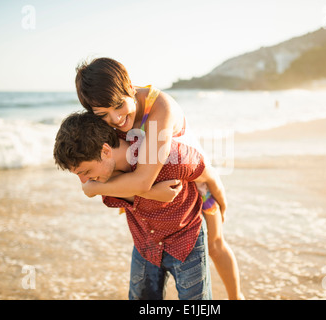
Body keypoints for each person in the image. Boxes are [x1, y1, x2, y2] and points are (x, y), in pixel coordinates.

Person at [75, 57, 243, 300]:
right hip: (158, 190)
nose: (115, 119)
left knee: (215, 245)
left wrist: (96, 189)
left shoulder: (160, 109)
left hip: (197, 179)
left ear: (129, 87)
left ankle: (237, 297)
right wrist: (94, 183)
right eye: (103, 114)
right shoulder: (105, 111)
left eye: (119, 106)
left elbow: (143, 181)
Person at [54, 111, 218, 300]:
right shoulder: (103, 178)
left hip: (186, 241)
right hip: (145, 244)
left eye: (85, 171)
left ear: (106, 151)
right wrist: (150, 192)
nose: (84, 181)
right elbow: (125, 188)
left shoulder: (167, 156)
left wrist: (220, 201)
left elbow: (206, 172)